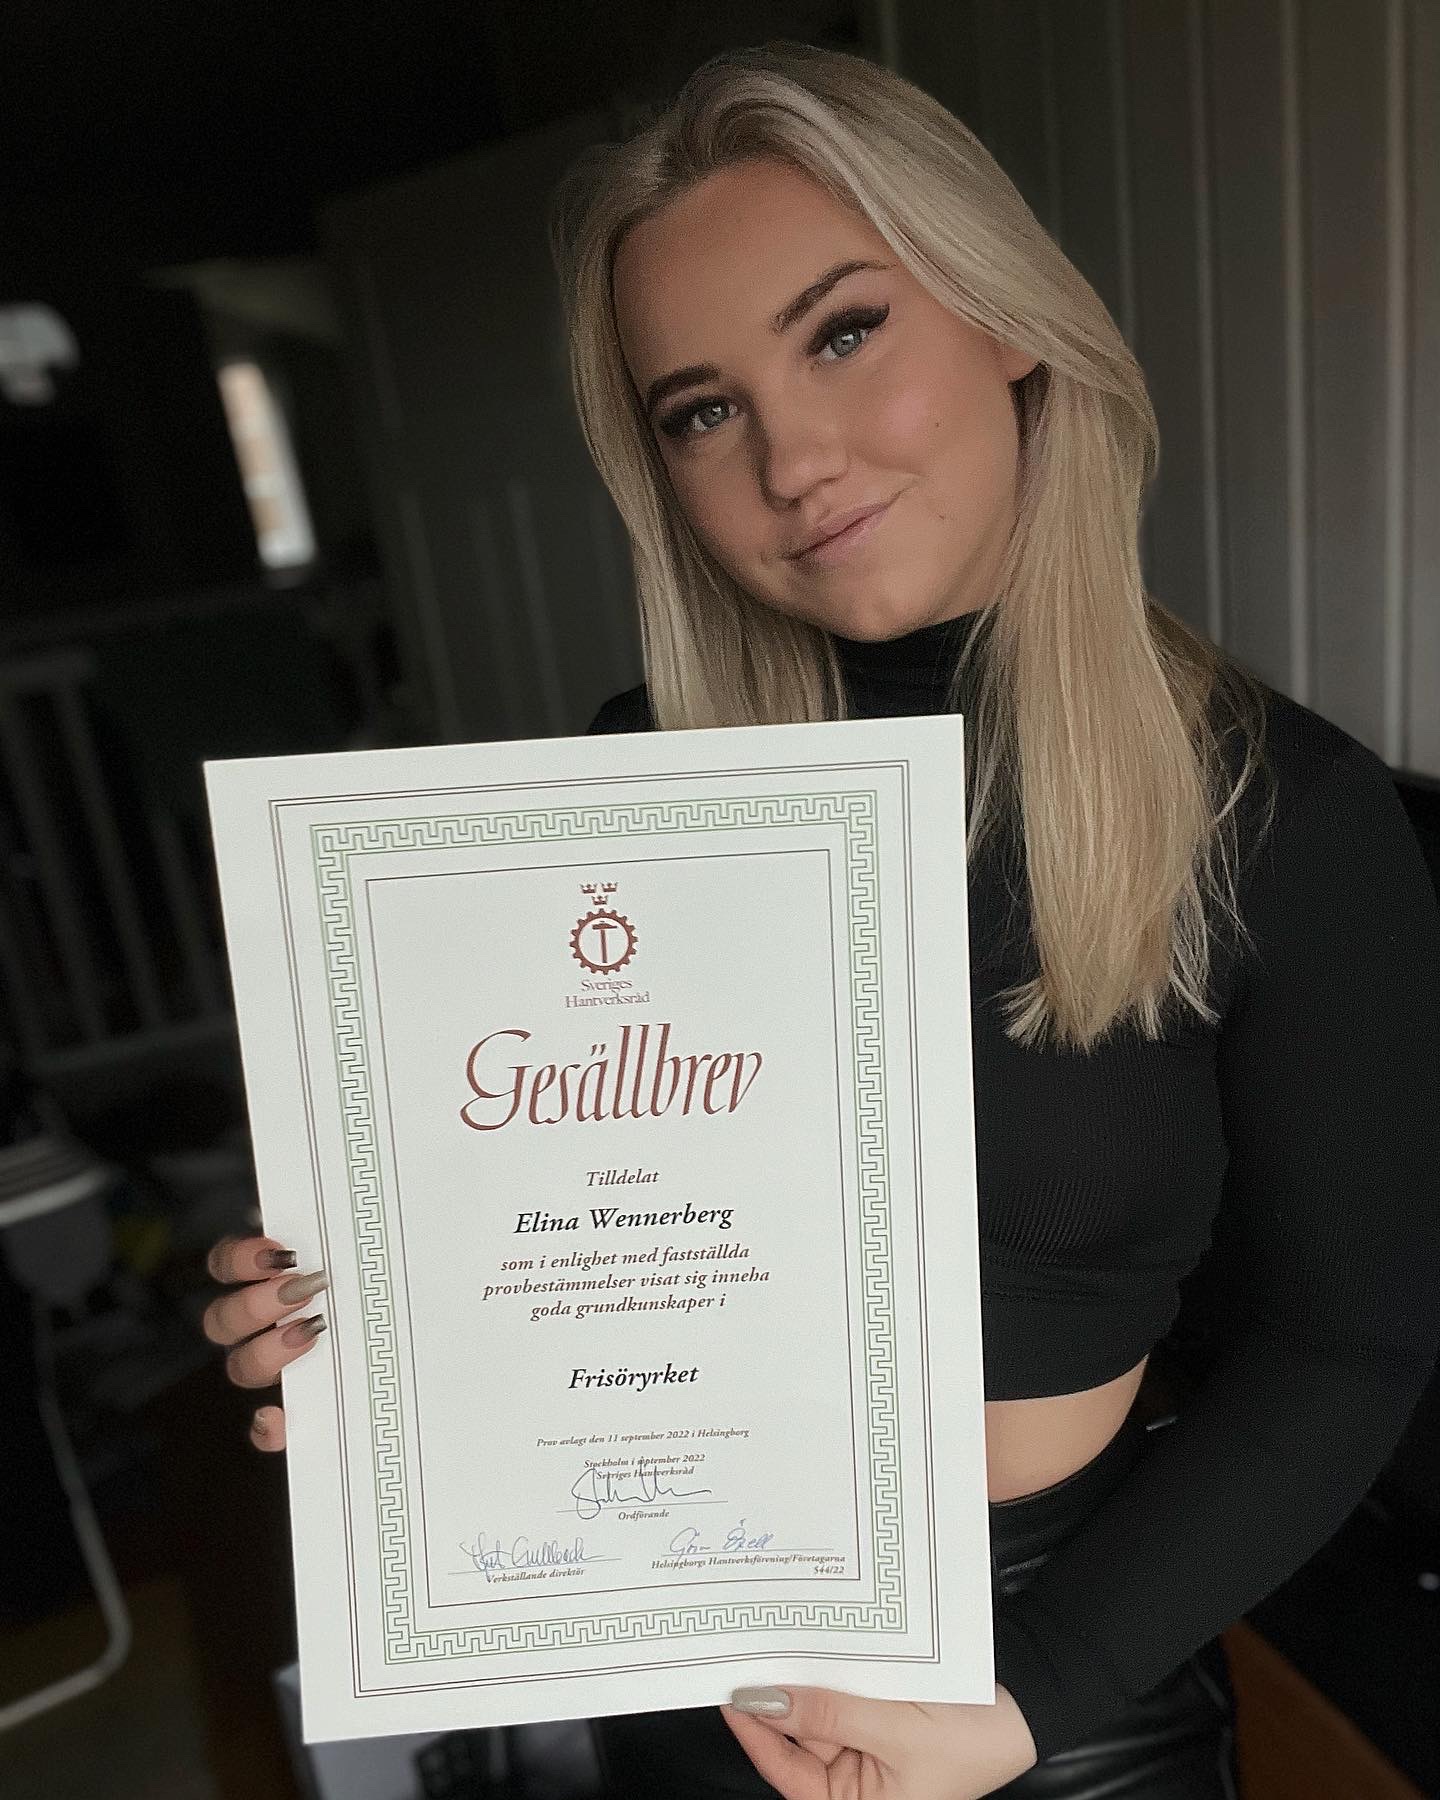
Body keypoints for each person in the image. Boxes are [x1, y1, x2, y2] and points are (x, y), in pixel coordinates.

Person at [201, 42, 1440, 1800]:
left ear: (1008, 322)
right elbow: (546, 1248)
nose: (792, 457)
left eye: (843, 332)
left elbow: (1351, 1344)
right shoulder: (625, 787)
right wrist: (350, 1312)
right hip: (687, 1665)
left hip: (1058, 1680)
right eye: (702, 410)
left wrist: (1032, 1698)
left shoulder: (1282, 816)